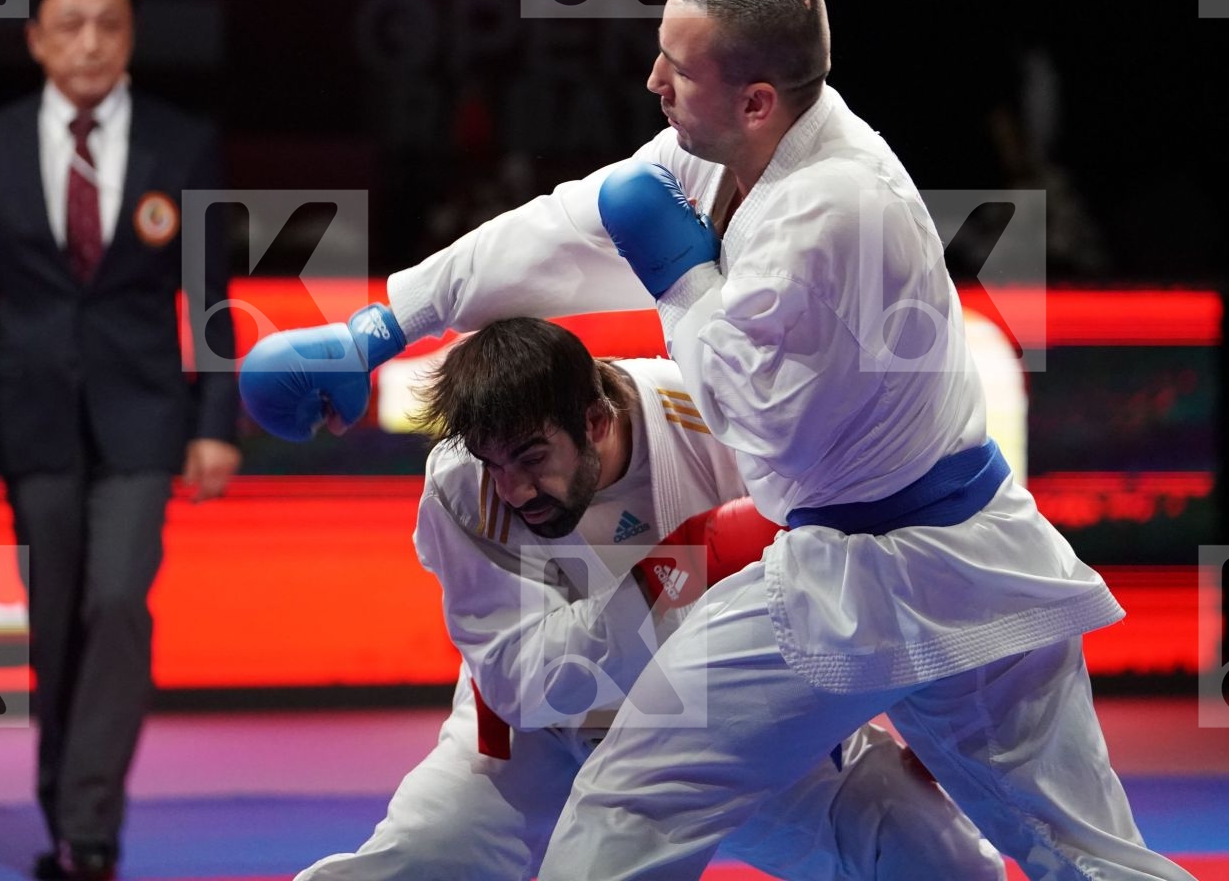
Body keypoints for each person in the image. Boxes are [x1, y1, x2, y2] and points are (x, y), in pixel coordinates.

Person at [241, 0, 1196, 880]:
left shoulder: (837, 210)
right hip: (957, 552)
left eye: (678, 67)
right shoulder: (723, 151)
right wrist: (382, 323)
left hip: (869, 564)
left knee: (633, 805)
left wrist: (684, 280)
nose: (653, 80)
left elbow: (766, 422)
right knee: (1079, 852)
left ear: (756, 99)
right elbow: (565, 229)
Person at [294, 316, 1004, 881]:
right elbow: (523, 685)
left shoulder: (715, 421)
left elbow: (859, 572)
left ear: (596, 422)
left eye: (533, 458)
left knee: (945, 861)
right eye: (493, 460)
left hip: (721, 713)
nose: (510, 489)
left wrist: (929, 725)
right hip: (534, 741)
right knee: (420, 861)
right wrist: (684, 567)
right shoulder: (459, 484)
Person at [0, 0, 241, 881]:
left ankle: (92, 823)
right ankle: (63, 803)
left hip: (146, 420)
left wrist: (216, 421)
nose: (91, 41)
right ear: (36, 40)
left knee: (117, 601)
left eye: (109, 23)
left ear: (132, 36)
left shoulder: (180, 142)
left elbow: (212, 298)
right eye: (70, 24)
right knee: (57, 622)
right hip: (29, 425)